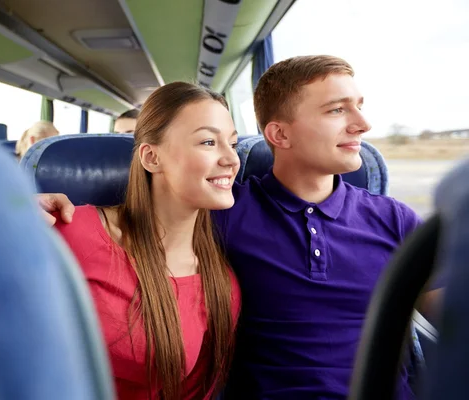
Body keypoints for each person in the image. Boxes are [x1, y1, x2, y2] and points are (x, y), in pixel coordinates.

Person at [38, 55, 443, 399]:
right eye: (337, 109)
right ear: (278, 134)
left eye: (231, 142)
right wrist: (18, 212)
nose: (363, 124)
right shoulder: (224, 215)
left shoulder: (394, 218)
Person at [54, 82, 241, 400]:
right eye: (209, 142)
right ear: (152, 158)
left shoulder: (221, 285)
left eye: (233, 144)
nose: (231, 159)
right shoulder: (72, 230)